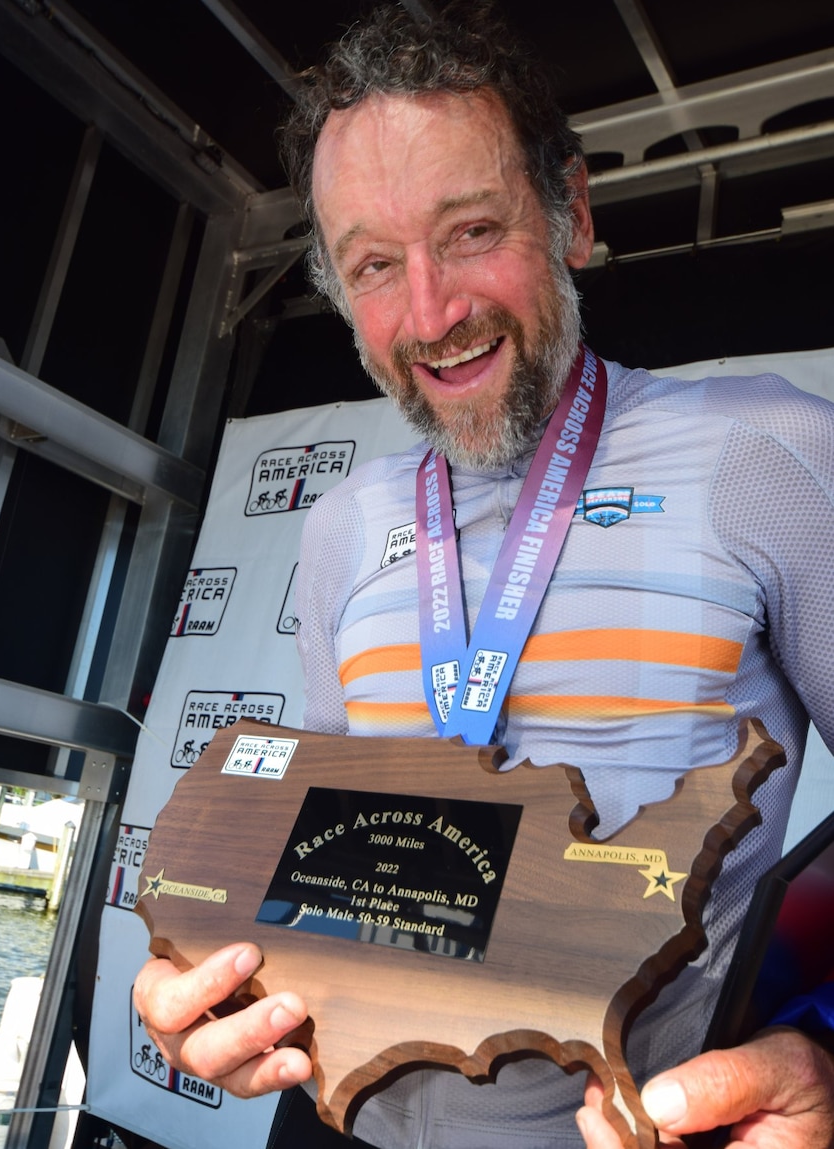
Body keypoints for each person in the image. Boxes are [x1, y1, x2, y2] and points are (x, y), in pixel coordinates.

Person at [134, 4, 834, 1146]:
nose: (431, 313)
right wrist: (205, 982)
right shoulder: (343, 529)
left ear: (572, 214)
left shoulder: (768, 455)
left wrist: (819, 1045)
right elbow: (322, 852)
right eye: (373, 264)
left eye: (469, 231)